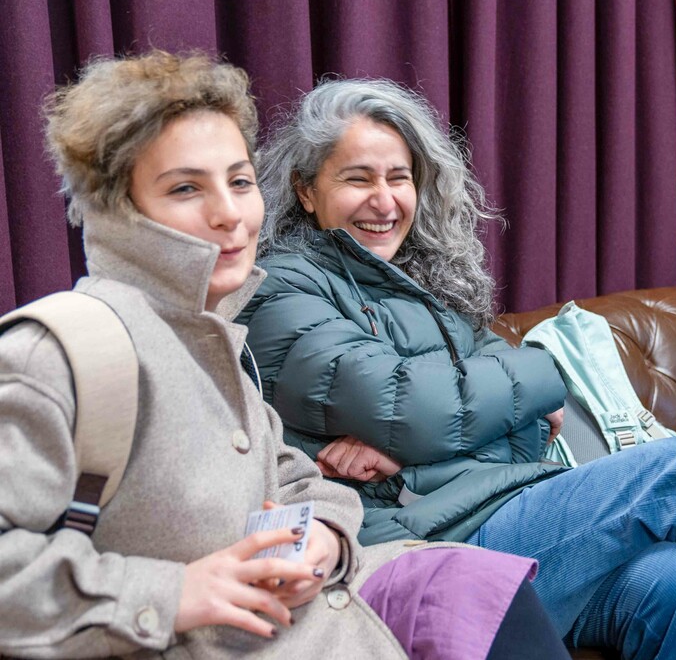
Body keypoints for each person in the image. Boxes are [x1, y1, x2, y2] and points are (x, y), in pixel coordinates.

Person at [237, 77, 676, 660]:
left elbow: (528, 428)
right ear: (305, 189)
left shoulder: (420, 289)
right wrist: (530, 376)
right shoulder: (283, 290)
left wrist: (420, 441)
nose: (384, 201)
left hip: (507, 506)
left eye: (399, 178)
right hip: (427, 546)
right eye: (357, 179)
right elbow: (421, 408)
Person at [0, 50, 570, 660]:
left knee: (482, 586)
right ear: (115, 210)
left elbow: (299, 481)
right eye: (186, 188)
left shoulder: (216, 340)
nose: (230, 214)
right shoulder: (56, 351)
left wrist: (323, 536)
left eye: (239, 182)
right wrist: (169, 593)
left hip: (331, 626)